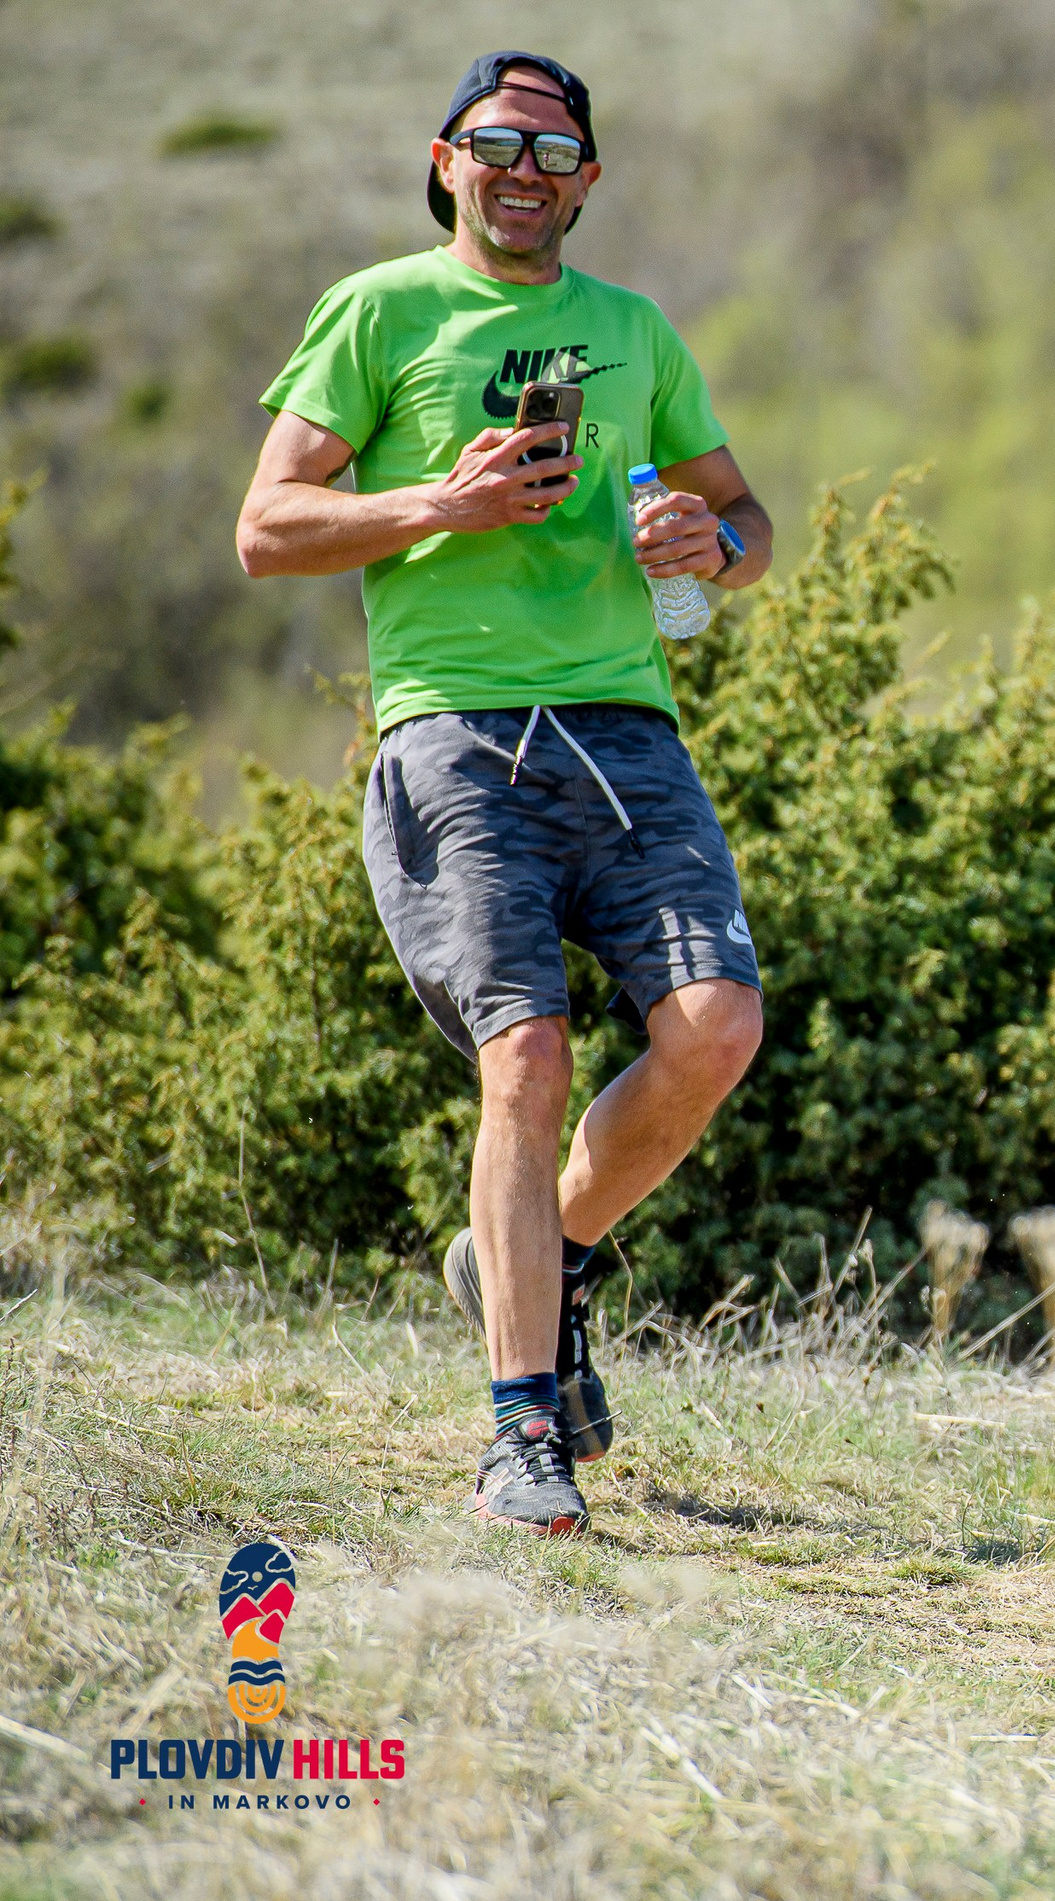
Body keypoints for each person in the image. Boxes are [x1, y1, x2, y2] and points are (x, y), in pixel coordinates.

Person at [235, 52, 772, 1537]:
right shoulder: (379, 311)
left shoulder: (633, 330)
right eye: (498, 142)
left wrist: (704, 542)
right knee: (524, 1057)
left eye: (556, 148)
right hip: (455, 735)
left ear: (588, 179)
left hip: (627, 729)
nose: (526, 167)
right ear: (448, 159)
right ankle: (520, 1433)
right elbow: (267, 528)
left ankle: (540, 1253)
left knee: (718, 1026)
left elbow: (748, 516)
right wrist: (442, 506)